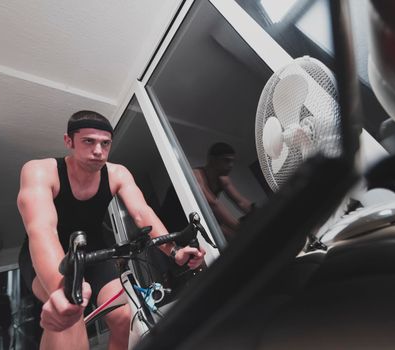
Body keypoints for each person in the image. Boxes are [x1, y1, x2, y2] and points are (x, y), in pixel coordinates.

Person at [17, 110, 205, 350]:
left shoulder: (117, 173)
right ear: (68, 141)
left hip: (94, 249)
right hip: (49, 253)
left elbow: (141, 214)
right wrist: (63, 288)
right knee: (72, 313)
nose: (98, 150)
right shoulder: (40, 171)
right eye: (89, 141)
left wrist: (175, 251)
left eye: (105, 144)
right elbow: (42, 229)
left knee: (123, 318)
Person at [193, 142, 253, 240]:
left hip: (201, 217)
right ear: (212, 160)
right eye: (226, 161)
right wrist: (240, 228)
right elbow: (213, 204)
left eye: (232, 161)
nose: (231, 165)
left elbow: (241, 202)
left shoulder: (223, 179)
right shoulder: (197, 174)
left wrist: (258, 212)